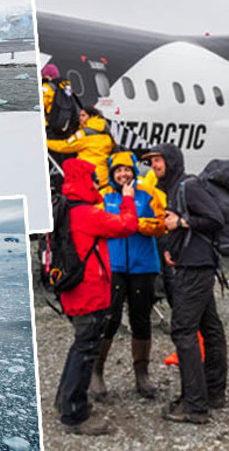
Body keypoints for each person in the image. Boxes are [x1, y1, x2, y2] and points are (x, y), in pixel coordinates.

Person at [143, 143, 227, 425]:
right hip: (192, 263)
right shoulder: (172, 187)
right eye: (152, 161)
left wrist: (181, 223)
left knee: (183, 331)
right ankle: (214, 393)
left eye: (158, 160)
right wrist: (171, 246)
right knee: (210, 327)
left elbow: (216, 218)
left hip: (196, 268)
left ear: (172, 161)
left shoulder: (188, 185)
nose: (155, 165)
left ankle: (194, 405)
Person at [54, 158, 138, 435]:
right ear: (82, 181)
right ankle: (75, 416)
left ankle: (64, 402)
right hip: (89, 293)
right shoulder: (86, 214)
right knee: (85, 351)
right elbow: (127, 225)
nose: (96, 184)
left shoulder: (64, 211)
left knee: (79, 347)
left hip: (71, 291)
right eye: (92, 179)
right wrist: (128, 198)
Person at [91, 150, 167, 400]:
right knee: (109, 319)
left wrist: (134, 223)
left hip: (143, 266)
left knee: (141, 319)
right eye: (118, 170)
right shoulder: (104, 195)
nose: (123, 174)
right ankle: (96, 371)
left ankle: (141, 374)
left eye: (127, 170)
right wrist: (126, 220)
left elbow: (160, 225)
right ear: (112, 173)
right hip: (112, 267)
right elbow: (99, 225)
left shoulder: (148, 194)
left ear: (134, 171)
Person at [47, 106, 114, 188]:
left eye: (83, 115)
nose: (80, 118)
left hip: (89, 176)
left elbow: (65, 146)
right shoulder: (106, 132)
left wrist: (46, 142)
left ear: (91, 116)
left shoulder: (84, 134)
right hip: (104, 176)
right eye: (80, 115)